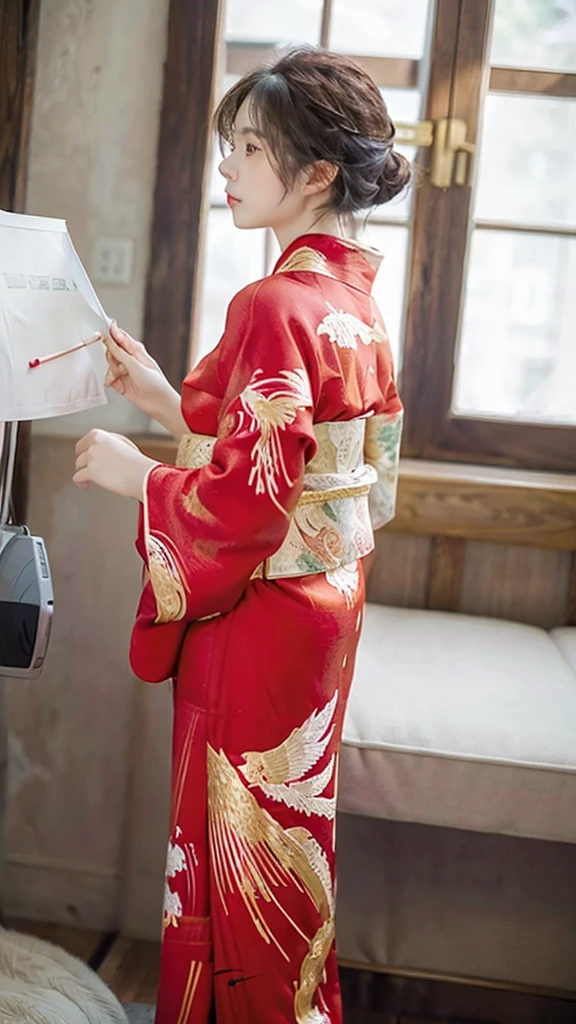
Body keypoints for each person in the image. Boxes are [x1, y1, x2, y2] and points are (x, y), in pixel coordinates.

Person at [73, 46, 408, 1024]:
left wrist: (144, 478)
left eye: (248, 148)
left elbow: (251, 505)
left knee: (236, 845)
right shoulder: (351, 304)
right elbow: (321, 467)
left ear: (313, 175)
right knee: (288, 833)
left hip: (256, 614)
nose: (226, 167)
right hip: (322, 609)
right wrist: (163, 396)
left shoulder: (272, 303)